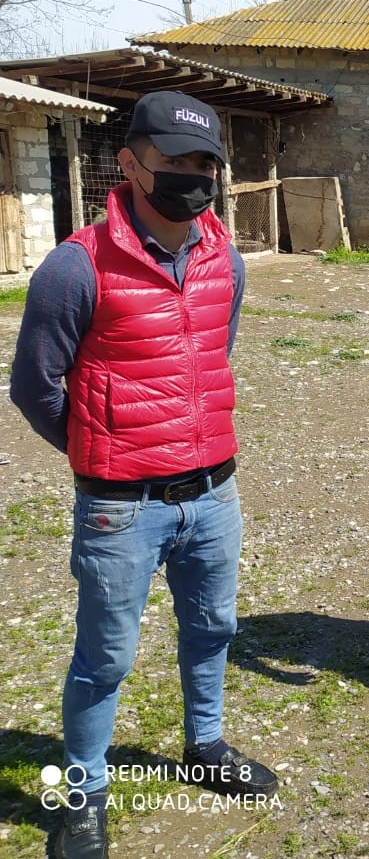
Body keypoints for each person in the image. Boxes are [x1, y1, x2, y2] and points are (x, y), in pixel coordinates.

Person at [10, 91, 277, 859]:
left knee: (215, 628)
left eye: (206, 164)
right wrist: (104, 448)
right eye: (175, 162)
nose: (193, 178)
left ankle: (206, 746)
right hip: (119, 508)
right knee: (106, 657)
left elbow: (208, 355)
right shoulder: (73, 268)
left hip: (214, 495)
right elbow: (35, 387)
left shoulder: (224, 257)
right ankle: (81, 797)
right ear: (128, 165)